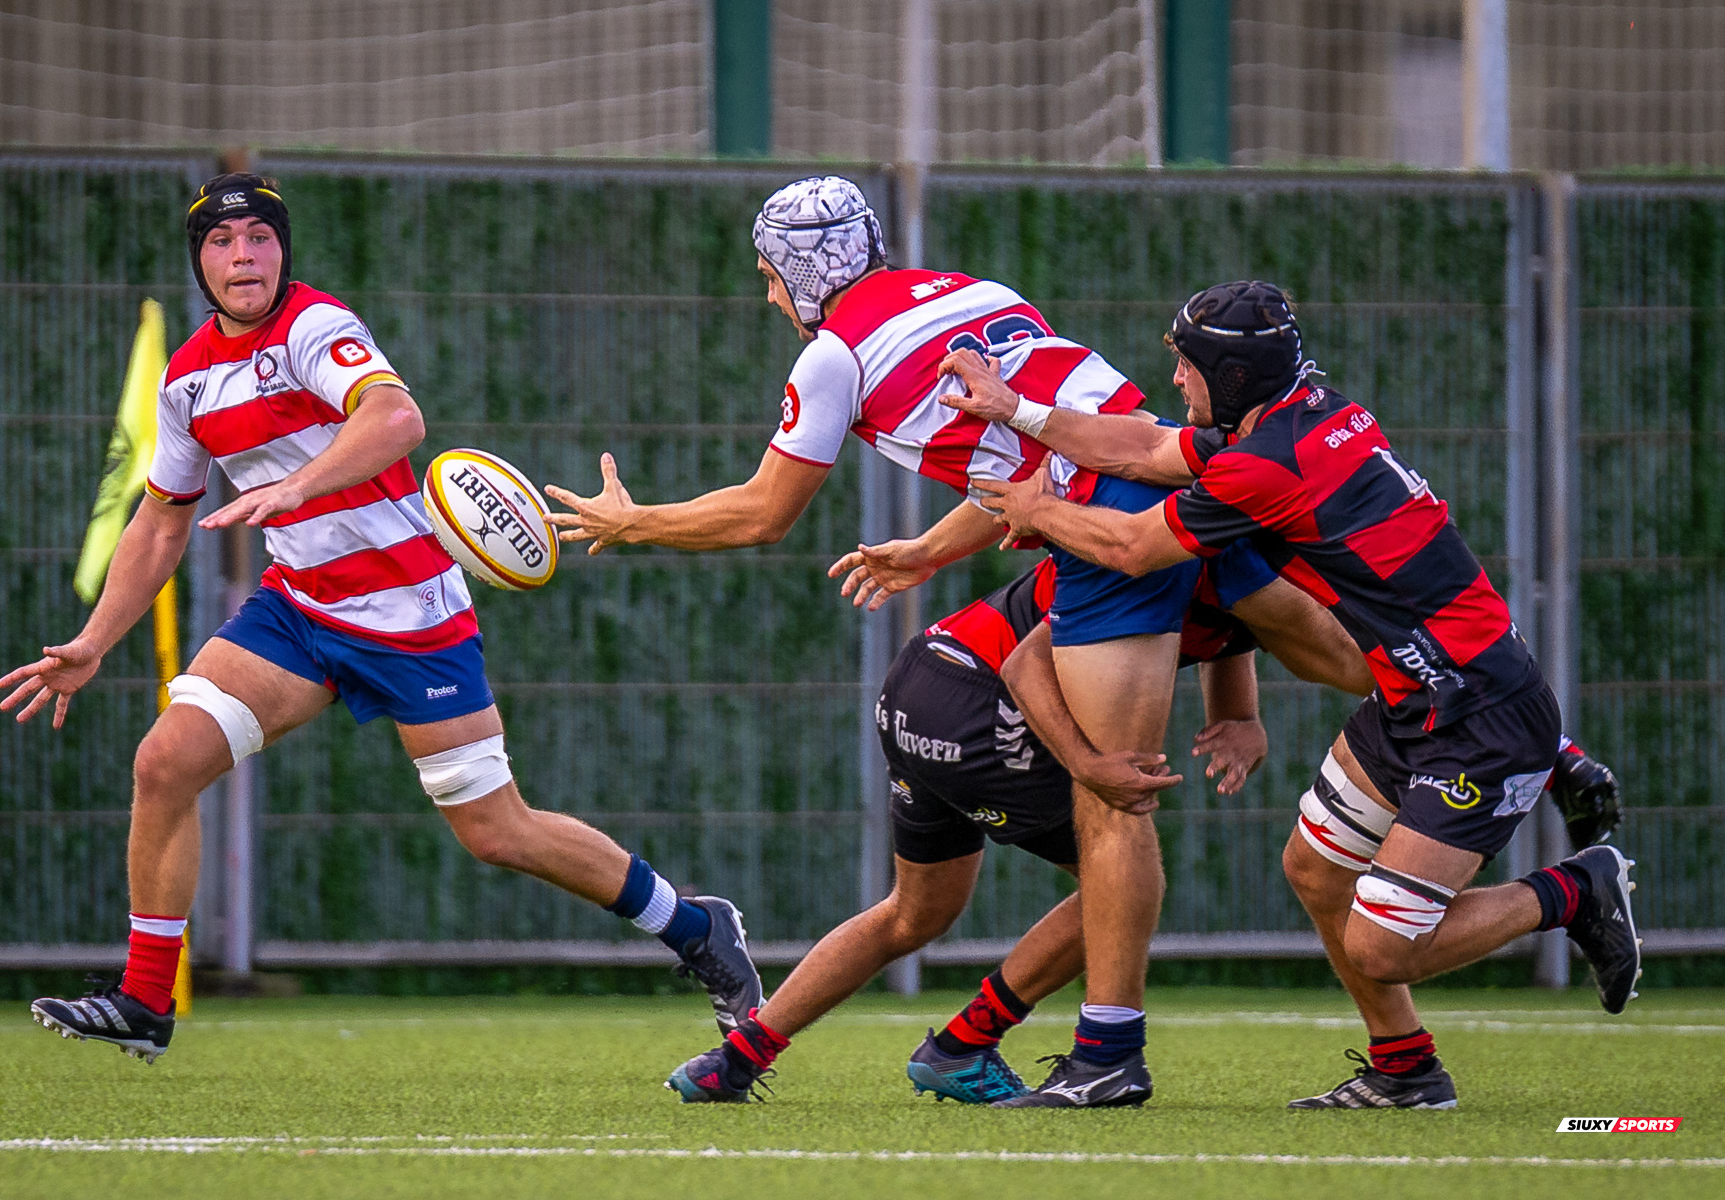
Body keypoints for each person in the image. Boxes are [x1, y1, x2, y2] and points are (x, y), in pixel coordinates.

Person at [0, 173, 762, 1064]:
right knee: (165, 762)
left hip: (411, 614)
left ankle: (696, 926)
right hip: (298, 610)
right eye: (221, 241)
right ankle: (144, 999)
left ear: (283, 250)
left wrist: (296, 485)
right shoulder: (187, 380)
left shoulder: (315, 327)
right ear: (198, 261)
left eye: (259, 237)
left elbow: (397, 417)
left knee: (497, 832)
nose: (243, 256)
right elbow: (162, 521)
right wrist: (93, 642)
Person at [549, 176, 1262, 1107]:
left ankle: (751, 1058)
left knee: (944, 900)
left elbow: (767, 513)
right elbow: (1042, 459)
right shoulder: (981, 294)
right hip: (1074, 561)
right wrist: (929, 551)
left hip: (979, 636)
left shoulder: (833, 355)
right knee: (1121, 845)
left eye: (770, 277)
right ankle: (1048, 1050)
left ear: (804, 274)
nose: (769, 296)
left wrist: (635, 522)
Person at [940, 280, 1640, 1110]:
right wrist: (1015, 409)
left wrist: (1039, 508)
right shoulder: (1296, 418)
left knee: (1382, 946)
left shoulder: (1268, 464)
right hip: (1415, 698)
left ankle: (1575, 892)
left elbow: (1130, 547)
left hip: (1476, 713)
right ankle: (1405, 1070)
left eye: (1187, 364)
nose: (1176, 380)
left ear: (1232, 377)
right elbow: (1143, 448)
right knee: (1314, 871)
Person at [665, 553, 1281, 1104]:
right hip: (982, 698)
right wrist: (1085, 763)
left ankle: (734, 1061)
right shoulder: (1205, 546)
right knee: (1121, 884)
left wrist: (1242, 715)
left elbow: (1234, 628)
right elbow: (1027, 663)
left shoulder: (1211, 539)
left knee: (915, 913)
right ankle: (964, 1045)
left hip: (921, 679)